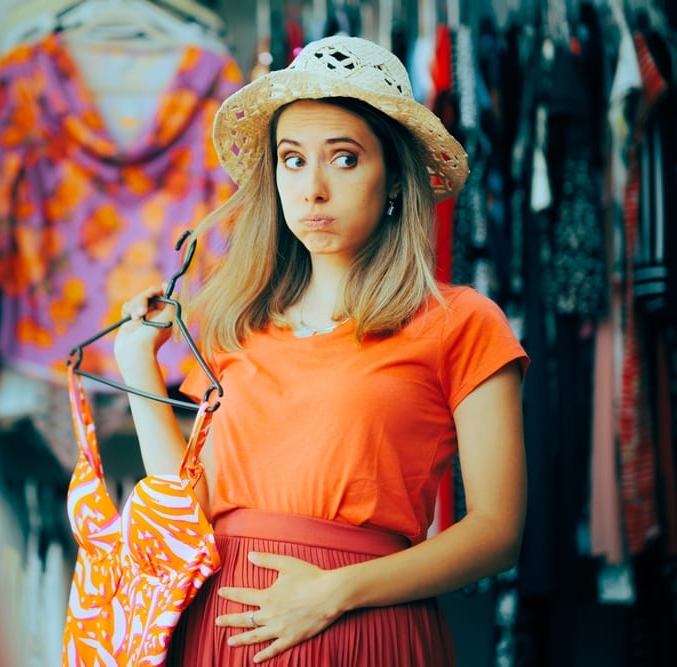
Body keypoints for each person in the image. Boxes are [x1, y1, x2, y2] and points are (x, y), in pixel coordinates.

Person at [113, 35, 529, 665]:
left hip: (366, 632)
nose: (312, 189)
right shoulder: (235, 325)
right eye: (292, 159)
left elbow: (498, 533)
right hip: (220, 635)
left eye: (343, 158)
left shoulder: (460, 321)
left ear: (393, 175)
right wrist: (136, 366)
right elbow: (186, 514)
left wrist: (335, 593)